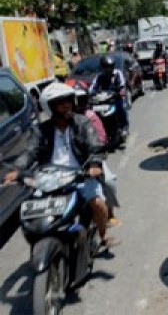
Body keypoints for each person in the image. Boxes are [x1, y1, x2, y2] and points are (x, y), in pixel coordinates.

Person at [2, 82, 120, 247]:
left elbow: (94, 144)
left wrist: (93, 163)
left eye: (68, 101)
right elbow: (30, 151)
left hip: (80, 174)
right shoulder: (41, 130)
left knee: (98, 203)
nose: (67, 106)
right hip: (50, 177)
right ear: (50, 107)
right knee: (29, 211)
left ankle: (103, 235)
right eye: (60, 103)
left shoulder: (82, 122)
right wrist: (17, 169)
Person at [69, 80, 122, 228]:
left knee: (110, 181)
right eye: (76, 100)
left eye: (82, 99)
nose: (79, 104)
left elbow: (101, 137)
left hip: (90, 160)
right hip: (67, 166)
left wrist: (97, 156)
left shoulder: (90, 116)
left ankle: (110, 212)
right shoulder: (63, 121)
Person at [89, 55, 130, 137]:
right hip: (103, 101)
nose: (109, 69)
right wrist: (91, 93)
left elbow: (122, 85)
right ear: (103, 67)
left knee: (121, 107)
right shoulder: (99, 77)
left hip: (115, 99)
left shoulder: (118, 73)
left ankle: (124, 127)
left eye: (110, 67)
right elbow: (92, 88)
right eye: (107, 67)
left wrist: (121, 91)